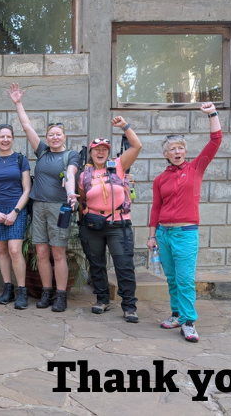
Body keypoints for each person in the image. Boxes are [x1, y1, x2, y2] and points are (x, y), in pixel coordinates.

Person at [148, 102, 222, 343]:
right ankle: (177, 314)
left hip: (186, 233)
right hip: (163, 235)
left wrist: (212, 113)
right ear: (165, 153)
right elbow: (156, 207)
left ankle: (189, 322)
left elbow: (215, 141)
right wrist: (151, 235)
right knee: (171, 278)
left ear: (185, 151)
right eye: (172, 148)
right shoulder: (160, 179)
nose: (177, 151)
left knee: (185, 279)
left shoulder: (196, 168)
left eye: (180, 148)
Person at [9, 83, 80, 313]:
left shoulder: (72, 155)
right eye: (51, 134)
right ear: (47, 137)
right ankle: (46, 291)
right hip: (38, 207)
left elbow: (70, 174)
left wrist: (70, 193)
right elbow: (27, 126)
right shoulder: (42, 152)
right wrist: (18, 103)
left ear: (64, 137)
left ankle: (61, 295)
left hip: (60, 208)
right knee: (41, 252)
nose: (54, 137)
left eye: (58, 134)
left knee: (58, 252)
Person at [77, 116, 142, 323]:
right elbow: (81, 200)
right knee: (96, 264)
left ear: (108, 152)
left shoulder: (119, 166)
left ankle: (129, 306)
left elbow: (136, 145)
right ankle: (102, 299)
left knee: (123, 265)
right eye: (97, 149)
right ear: (91, 153)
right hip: (92, 224)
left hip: (118, 224)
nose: (101, 152)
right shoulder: (84, 175)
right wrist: (82, 222)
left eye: (104, 149)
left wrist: (124, 126)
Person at [0, 124, 32, 309]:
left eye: (8, 136)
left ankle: (22, 290)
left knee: (14, 250)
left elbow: (27, 189)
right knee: (2, 250)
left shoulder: (20, 160)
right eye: (1, 137)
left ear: (12, 139)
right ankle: (8, 289)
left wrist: (15, 212)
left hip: (16, 209)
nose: (4, 140)